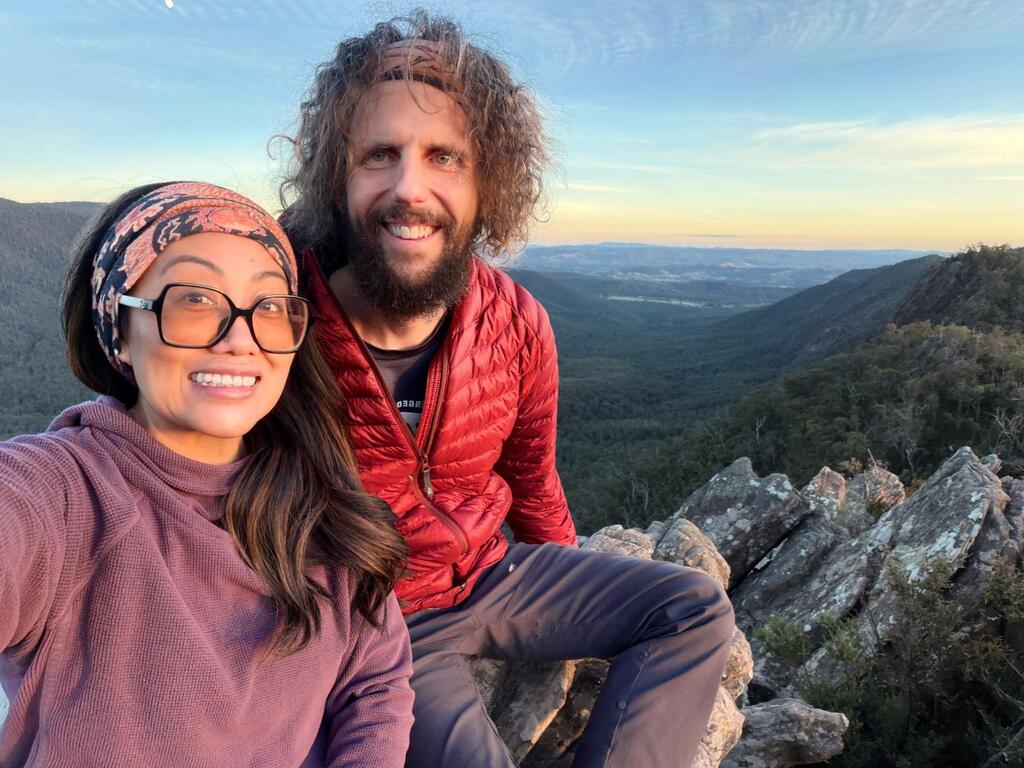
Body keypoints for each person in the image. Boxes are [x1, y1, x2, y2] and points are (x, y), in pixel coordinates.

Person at [281, 11, 736, 768]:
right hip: (375, 615)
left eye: (444, 157)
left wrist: (566, 610)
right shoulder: (278, 315)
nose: (409, 188)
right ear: (340, 172)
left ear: (488, 180)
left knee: (691, 607)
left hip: (494, 574)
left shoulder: (515, 321)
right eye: (380, 155)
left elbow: (530, 478)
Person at [0, 182, 414, 767]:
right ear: (119, 328)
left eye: (269, 306)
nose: (241, 340)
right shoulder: (68, 493)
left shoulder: (316, 497)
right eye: (195, 300)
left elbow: (375, 682)